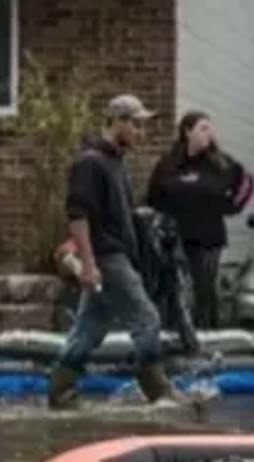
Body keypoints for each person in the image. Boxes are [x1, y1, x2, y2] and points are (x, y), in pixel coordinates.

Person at [46, 94, 181, 410]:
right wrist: (89, 264)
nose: (140, 132)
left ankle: (60, 391)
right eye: (135, 124)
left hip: (114, 256)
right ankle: (159, 393)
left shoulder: (117, 163)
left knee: (89, 328)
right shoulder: (90, 163)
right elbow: (78, 215)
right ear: (116, 121)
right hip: (107, 258)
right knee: (146, 318)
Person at [145, 110, 254, 329]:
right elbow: (153, 196)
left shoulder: (221, 164)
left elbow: (247, 182)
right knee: (175, 290)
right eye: (203, 128)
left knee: (203, 291)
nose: (209, 133)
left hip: (208, 239)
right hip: (175, 239)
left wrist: (232, 206)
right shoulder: (168, 165)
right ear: (187, 132)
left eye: (209, 129)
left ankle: (207, 333)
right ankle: (175, 333)